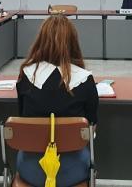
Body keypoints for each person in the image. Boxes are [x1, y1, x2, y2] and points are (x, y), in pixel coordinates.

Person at [16, 15, 98, 187]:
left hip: (32, 170)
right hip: (73, 170)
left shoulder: (26, 75)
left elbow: (22, 116)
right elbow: (91, 129)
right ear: (73, 43)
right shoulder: (85, 79)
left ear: (41, 41)